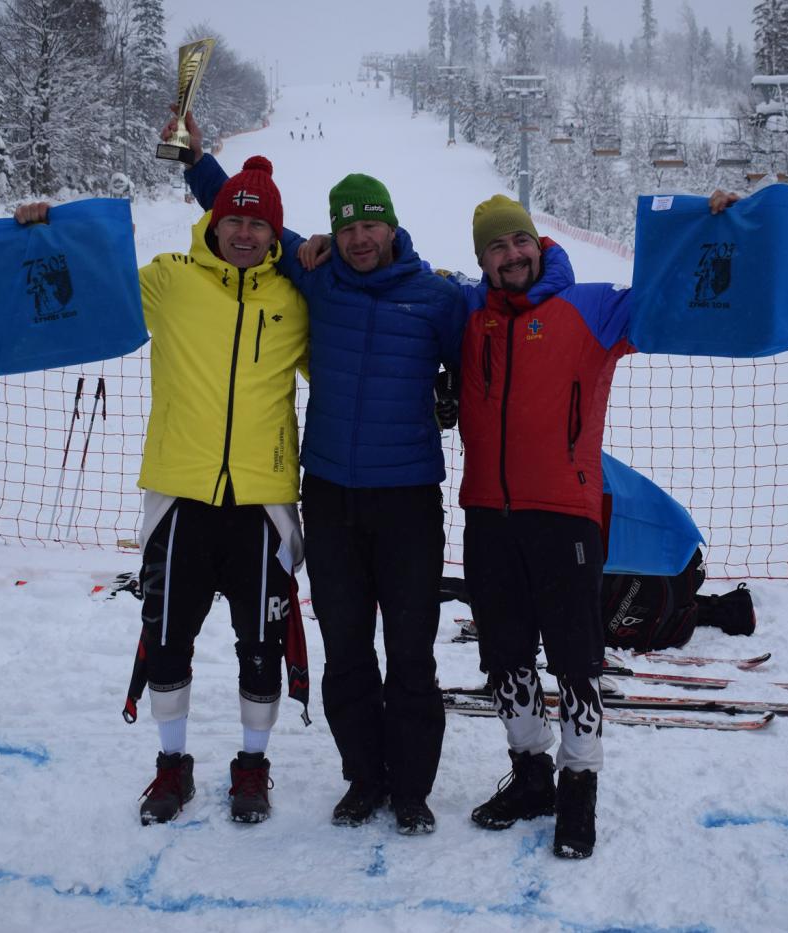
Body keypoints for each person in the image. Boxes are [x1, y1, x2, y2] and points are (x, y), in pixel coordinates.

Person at [169, 111, 465, 835]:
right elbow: (249, 220)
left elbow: (489, 337)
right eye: (347, 226)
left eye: (370, 225)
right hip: (330, 497)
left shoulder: (437, 297)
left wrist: (453, 393)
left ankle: (411, 789)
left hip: (408, 501)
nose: (359, 238)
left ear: (392, 227)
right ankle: (364, 778)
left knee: (411, 651)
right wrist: (197, 163)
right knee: (346, 649)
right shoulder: (317, 275)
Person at [14, 155, 310, 827]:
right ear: (214, 222)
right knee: (168, 641)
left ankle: (252, 765)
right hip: (179, 497)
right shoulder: (172, 280)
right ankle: (172, 763)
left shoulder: (294, 301)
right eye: (233, 220)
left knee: (260, 646)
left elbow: (349, 362)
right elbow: (93, 285)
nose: (243, 234)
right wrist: (46, 231)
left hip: (263, 505)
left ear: (275, 234)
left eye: (257, 225)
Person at [456, 191, 737, 859]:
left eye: (519, 241)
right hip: (487, 514)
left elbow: (669, 297)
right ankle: (531, 776)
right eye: (496, 247)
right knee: (504, 655)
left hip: (566, 515)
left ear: (537, 244)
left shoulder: (592, 307)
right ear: (483, 261)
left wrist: (710, 225)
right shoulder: (469, 315)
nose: (511, 255)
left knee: (576, 657)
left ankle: (578, 786)